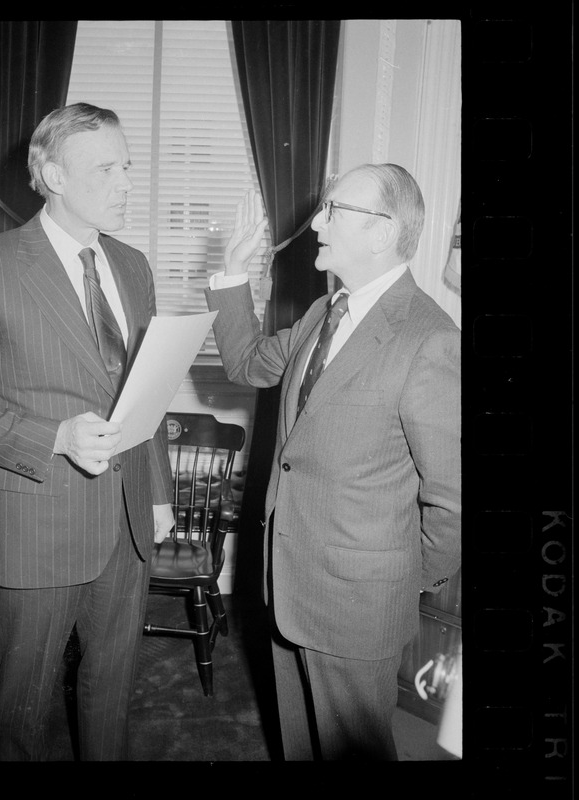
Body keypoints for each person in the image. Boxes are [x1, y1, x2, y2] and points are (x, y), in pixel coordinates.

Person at [206, 164, 461, 761]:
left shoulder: (429, 337)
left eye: (333, 211)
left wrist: (396, 580)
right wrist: (234, 274)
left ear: (382, 231)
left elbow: (451, 499)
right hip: (290, 587)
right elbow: (246, 366)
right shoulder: (325, 314)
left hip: (358, 606)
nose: (316, 222)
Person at [0, 102, 174, 761]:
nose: (126, 183)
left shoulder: (135, 266)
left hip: (128, 517)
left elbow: (150, 390)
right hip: (38, 522)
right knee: (21, 708)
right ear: (52, 175)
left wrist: (160, 494)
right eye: (105, 168)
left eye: (128, 167)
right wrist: (53, 436)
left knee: (110, 692)